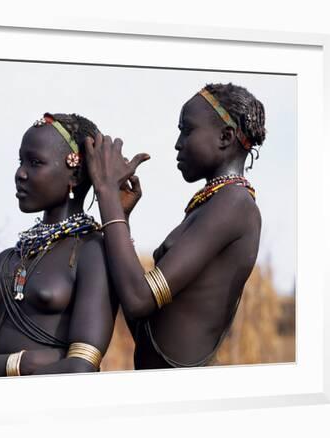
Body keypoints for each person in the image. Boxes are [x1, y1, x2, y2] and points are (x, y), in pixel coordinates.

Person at [85, 83, 266, 369]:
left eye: (187, 129)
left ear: (225, 136)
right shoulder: (213, 204)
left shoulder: (235, 205)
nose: (178, 143)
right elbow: (145, 325)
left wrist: (106, 193)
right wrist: (121, 217)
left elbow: (137, 299)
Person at [0, 113, 117, 379]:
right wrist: (23, 363)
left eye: (35, 163)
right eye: (20, 161)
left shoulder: (92, 252)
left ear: (76, 175)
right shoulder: (6, 261)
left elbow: (82, 367)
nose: (20, 174)